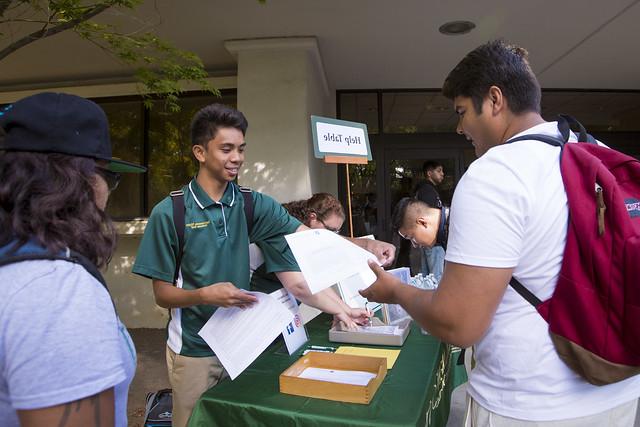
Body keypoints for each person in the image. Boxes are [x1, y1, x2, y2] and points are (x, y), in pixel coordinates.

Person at [360, 40, 640, 425]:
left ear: (494, 100)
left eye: (461, 112)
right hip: (619, 390)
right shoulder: (591, 149)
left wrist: (392, 290)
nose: (459, 127)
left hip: (530, 404)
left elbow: (458, 324)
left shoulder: (495, 173)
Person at [132, 103, 395, 427]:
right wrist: (204, 295)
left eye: (241, 149)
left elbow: (312, 239)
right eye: (226, 149)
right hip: (195, 349)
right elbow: (162, 294)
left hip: (244, 345)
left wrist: (364, 247)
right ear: (200, 152)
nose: (236, 158)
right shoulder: (170, 212)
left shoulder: (251, 204)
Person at [0, 92, 146, 426]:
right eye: (109, 176)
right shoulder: (56, 291)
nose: (109, 193)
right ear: (79, 180)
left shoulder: (14, 260)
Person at [414, 161, 446, 280]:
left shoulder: (426, 189)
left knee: (428, 278)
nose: (442, 174)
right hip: (433, 241)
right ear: (429, 173)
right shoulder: (427, 190)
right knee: (436, 279)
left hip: (429, 240)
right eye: (438, 171)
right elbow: (429, 216)